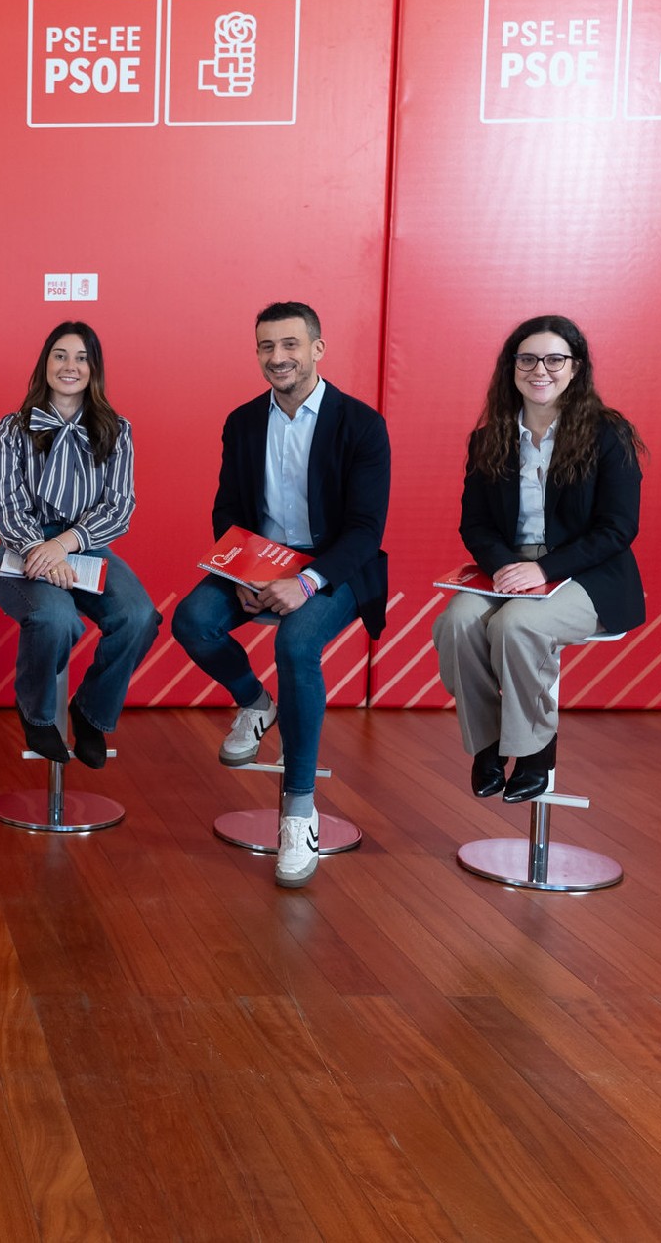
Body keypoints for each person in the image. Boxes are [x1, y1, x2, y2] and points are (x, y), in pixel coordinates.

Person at [172, 301, 390, 890]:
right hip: (257, 564)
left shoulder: (362, 425)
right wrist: (243, 572)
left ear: (318, 349)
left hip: (335, 570)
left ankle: (298, 811)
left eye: (290, 345)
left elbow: (367, 532)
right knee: (191, 619)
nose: (278, 358)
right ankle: (254, 701)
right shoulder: (243, 421)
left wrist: (306, 582)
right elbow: (228, 510)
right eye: (266, 347)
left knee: (296, 643)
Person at [432, 315, 645, 803]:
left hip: (587, 572)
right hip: (509, 566)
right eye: (527, 359)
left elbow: (618, 528)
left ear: (576, 368)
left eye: (555, 359)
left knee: (517, 626)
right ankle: (486, 746)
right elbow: (476, 525)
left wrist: (544, 570)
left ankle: (534, 751)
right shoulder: (490, 438)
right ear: (512, 368)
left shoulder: (607, 434)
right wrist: (507, 564)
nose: (539, 370)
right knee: (457, 622)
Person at [0, 321, 162, 766]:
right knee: (55, 619)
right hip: (22, 550)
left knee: (140, 617)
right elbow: (3, 506)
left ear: (94, 369)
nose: (71, 366)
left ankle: (91, 712)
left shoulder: (117, 430)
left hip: (85, 547)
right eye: (61, 355)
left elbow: (119, 507)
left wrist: (66, 544)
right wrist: (41, 552)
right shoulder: (12, 429)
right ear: (45, 363)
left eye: (82, 357)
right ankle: (37, 712)